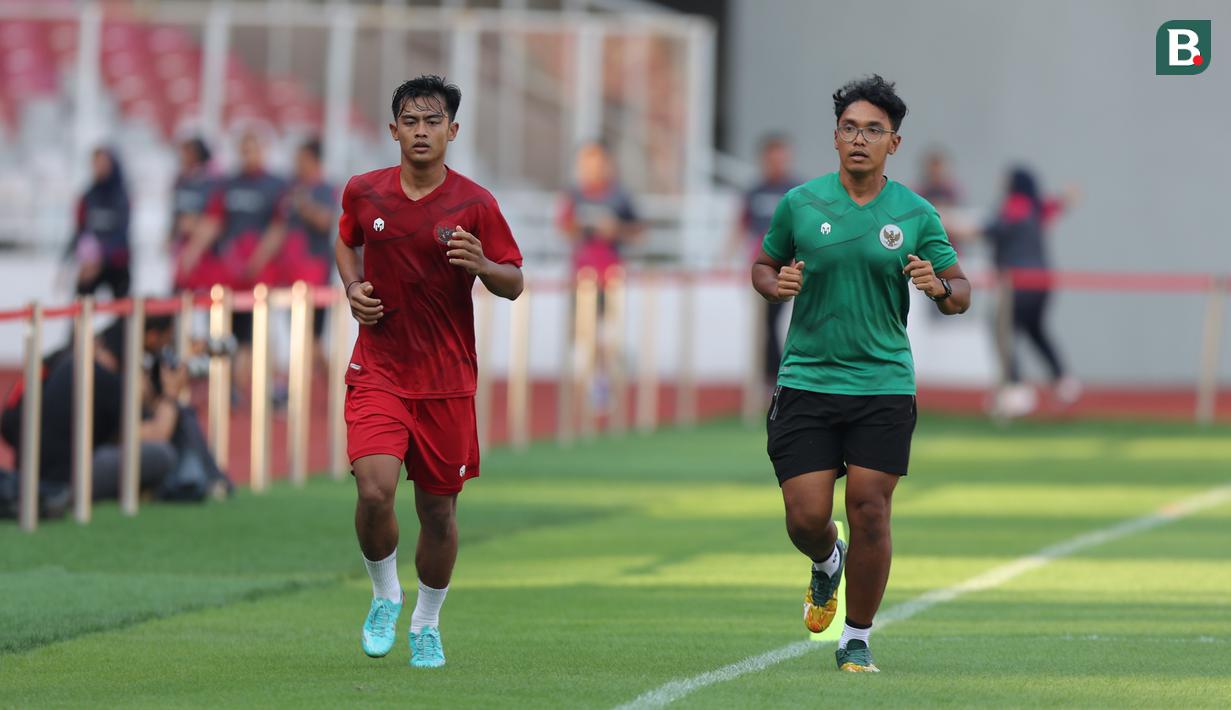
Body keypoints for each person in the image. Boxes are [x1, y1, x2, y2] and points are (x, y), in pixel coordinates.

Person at [751, 75, 970, 673]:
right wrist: (775, 286)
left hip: (883, 383)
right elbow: (764, 265)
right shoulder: (800, 203)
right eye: (850, 128)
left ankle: (857, 637)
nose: (859, 138)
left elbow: (962, 292)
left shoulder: (916, 213)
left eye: (874, 130)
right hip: (807, 380)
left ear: (893, 144)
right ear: (835, 137)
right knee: (806, 517)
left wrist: (939, 285)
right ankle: (826, 561)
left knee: (870, 506)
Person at [335, 75, 523, 668]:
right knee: (374, 490)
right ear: (393, 130)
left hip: (446, 382)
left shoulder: (475, 204)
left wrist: (483, 263)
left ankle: (427, 621)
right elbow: (345, 241)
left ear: (452, 131)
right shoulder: (364, 192)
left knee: (438, 514)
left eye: (432, 121)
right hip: (379, 368)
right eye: (410, 121)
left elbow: (514, 282)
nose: (421, 131)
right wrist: (351, 286)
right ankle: (386, 592)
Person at [34, 316, 227, 502]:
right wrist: (170, 394)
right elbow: (157, 434)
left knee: (179, 420)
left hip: (44, 473)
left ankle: (207, 479)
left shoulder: (72, 365)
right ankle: (207, 480)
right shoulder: (105, 380)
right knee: (162, 454)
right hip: (68, 480)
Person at [179, 130, 288, 394]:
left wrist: (258, 259)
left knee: (252, 333)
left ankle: (246, 388)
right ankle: (228, 387)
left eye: (253, 148)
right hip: (229, 271)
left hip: (258, 274)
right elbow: (214, 222)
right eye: (244, 149)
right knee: (223, 328)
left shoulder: (275, 186)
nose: (248, 154)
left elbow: (278, 228)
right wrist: (191, 253)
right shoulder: (229, 184)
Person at [985, 166, 1081, 417]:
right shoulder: (1037, 207)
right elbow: (1060, 205)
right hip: (1043, 282)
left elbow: (992, 230)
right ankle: (1063, 380)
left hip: (1019, 283)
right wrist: (1068, 196)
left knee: (1002, 329)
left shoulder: (1015, 206)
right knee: (1035, 329)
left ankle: (1016, 390)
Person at [557, 141, 641, 408]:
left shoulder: (620, 196)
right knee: (583, 333)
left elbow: (638, 231)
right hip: (580, 275)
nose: (590, 168)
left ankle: (606, 377)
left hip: (612, 275)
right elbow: (564, 229)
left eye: (595, 162)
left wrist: (615, 230)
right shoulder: (573, 195)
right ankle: (593, 382)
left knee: (608, 333)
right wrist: (578, 226)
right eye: (585, 162)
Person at [725, 133, 799, 386]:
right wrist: (724, 259)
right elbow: (740, 226)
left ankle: (782, 376)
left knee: (784, 323)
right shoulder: (754, 191)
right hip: (763, 267)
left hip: (791, 267)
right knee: (765, 324)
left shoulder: (797, 191)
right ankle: (774, 377)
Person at [281, 138, 338, 339]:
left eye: (301, 159)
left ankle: (322, 370)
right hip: (292, 270)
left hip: (315, 269)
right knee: (298, 332)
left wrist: (305, 206)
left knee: (312, 335)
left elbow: (325, 222)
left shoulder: (325, 189)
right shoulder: (292, 188)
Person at [68, 148, 131, 299]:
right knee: (80, 302)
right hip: (91, 262)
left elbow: (122, 231)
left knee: (121, 313)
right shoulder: (88, 196)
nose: (99, 167)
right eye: (96, 163)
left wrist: (99, 259)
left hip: (116, 263)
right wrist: (67, 262)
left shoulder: (121, 196)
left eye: (103, 163)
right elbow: (79, 230)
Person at [168, 137, 218, 292]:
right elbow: (176, 213)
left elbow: (214, 218)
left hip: (206, 250)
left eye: (186, 153)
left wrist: (196, 234)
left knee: (208, 297)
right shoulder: (180, 180)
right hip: (182, 246)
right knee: (179, 293)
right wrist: (171, 236)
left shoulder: (212, 182)